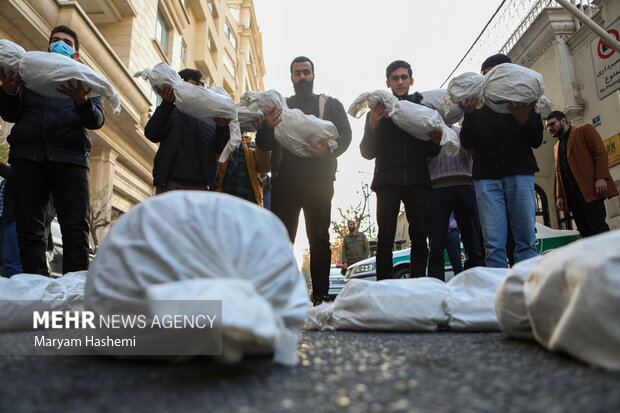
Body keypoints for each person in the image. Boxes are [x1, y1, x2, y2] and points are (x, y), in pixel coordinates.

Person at [0, 25, 104, 276]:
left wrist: (82, 102)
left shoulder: (86, 79)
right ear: (47, 48)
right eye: (55, 40)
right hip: (28, 157)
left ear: (76, 54)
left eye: (66, 42)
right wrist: (9, 90)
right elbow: (10, 113)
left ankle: (74, 290)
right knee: (29, 229)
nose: (60, 44)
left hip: (70, 160)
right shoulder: (31, 74)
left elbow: (96, 120)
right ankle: (36, 286)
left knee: (75, 228)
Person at [256, 56, 352, 305]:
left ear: (313, 75)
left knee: (319, 237)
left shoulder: (330, 104)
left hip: (319, 181)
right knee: (281, 238)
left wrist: (328, 150)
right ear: (291, 77)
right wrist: (267, 125)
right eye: (297, 73)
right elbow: (264, 144)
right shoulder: (280, 107)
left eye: (306, 72)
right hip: (285, 181)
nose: (302, 77)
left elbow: (346, 135)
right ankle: (281, 296)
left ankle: (320, 296)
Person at [459, 54, 543, 268]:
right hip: (487, 179)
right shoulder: (477, 105)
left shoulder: (525, 99)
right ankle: (498, 294)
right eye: (485, 75)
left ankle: (528, 289)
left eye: (494, 74)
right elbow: (467, 143)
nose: (490, 80)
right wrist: (468, 115)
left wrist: (524, 120)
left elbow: (536, 140)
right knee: (494, 244)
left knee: (525, 240)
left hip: (520, 172)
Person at [360, 60, 441, 280]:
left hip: (417, 181)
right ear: (388, 82)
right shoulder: (377, 113)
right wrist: (373, 126)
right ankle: (384, 286)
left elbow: (432, 151)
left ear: (411, 80)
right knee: (385, 237)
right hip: (387, 182)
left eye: (404, 77)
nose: (400, 81)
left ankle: (418, 284)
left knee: (419, 237)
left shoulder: (422, 111)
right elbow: (366, 152)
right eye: (395, 78)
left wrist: (435, 140)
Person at [145, 68, 230, 194]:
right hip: (170, 186)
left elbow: (221, 149)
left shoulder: (209, 117)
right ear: (181, 84)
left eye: (202, 84)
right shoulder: (171, 112)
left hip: (202, 188)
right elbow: (151, 134)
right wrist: (166, 105)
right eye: (195, 83)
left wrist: (222, 127)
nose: (200, 87)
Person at [546, 110, 618, 236]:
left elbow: (600, 153)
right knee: (584, 232)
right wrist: (560, 196)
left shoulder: (584, 129)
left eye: (552, 124)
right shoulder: (556, 146)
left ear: (563, 120)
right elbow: (558, 172)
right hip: (572, 197)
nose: (550, 128)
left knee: (598, 228)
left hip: (589, 191)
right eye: (547, 126)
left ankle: (612, 255)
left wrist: (601, 177)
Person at [427, 125, 484, 281]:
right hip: (437, 189)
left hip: (465, 185)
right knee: (435, 246)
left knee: (473, 242)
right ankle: (435, 287)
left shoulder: (462, 131)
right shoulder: (428, 131)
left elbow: (474, 150)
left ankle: (476, 284)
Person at [217, 133, 271, 205]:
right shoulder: (222, 132)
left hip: (249, 202)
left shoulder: (256, 137)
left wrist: (263, 132)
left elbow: (264, 168)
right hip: (222, 202)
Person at [0, 161, 22, 276]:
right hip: (3, 221)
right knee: (4, 261)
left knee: (12, 262)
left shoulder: (19, 173)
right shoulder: (7, 178)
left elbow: (5, 171)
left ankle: (17, 289)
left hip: (13, 222)